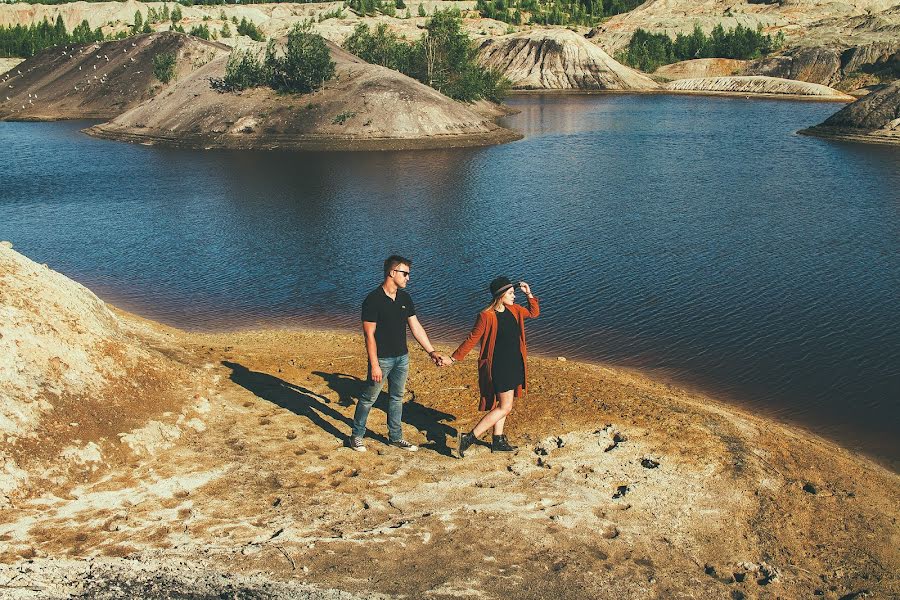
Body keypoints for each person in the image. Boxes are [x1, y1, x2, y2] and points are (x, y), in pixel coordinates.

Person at [350, 255, 444, 453]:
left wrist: (431, 351)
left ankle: (395, 437)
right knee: (369, 398)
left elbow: (415, 326)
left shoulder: (404, 298)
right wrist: (374, 364)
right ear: (392, 273)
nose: (408, 278)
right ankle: (357, 435)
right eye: (405, 273)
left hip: (402, 357)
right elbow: (369, 335)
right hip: (382, 359)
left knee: (396, 398)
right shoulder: (373, 300)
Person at [445, 276, 539, 458]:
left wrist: (529, 293)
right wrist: (453, 358)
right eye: (511, 293)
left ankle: (498, 440)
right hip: (498, 366)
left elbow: (534, 313)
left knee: (504, 404)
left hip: (514, 363)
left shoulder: (515, 310)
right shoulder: (486, 316)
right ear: (501, 295)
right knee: (505, 407)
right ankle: (468, 438)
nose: (514, 297)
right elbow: (472, 339)